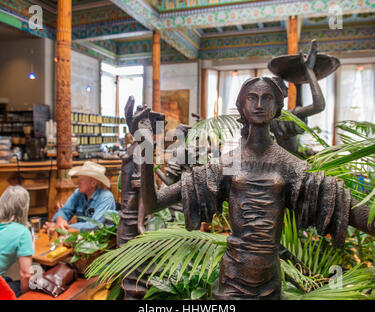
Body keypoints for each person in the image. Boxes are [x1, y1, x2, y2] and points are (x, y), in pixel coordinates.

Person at [139, 55, 375, 299]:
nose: (259, 104)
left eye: (267, 98)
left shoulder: (289, 165)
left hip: (270, 282)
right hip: (232, 278)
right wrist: (145, 145)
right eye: (252, 98)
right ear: (242, 106)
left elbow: (345, 207)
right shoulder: (227, 164)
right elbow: (153, 203)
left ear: (277, 108)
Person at [45, 161, 116, 232]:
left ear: (93, 183)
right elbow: (64, 211)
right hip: (82, 239)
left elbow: (94, 226)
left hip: (103, 241)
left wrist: (63, 227)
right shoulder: (78, 193)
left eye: (81, 180)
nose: (77, 182)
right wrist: (60, 220)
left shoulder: (106, 197)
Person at [0, 185, 33, 297]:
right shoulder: (22, 232)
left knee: (8, 279)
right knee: (31, 284)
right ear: (24, 208)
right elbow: (26, 274)